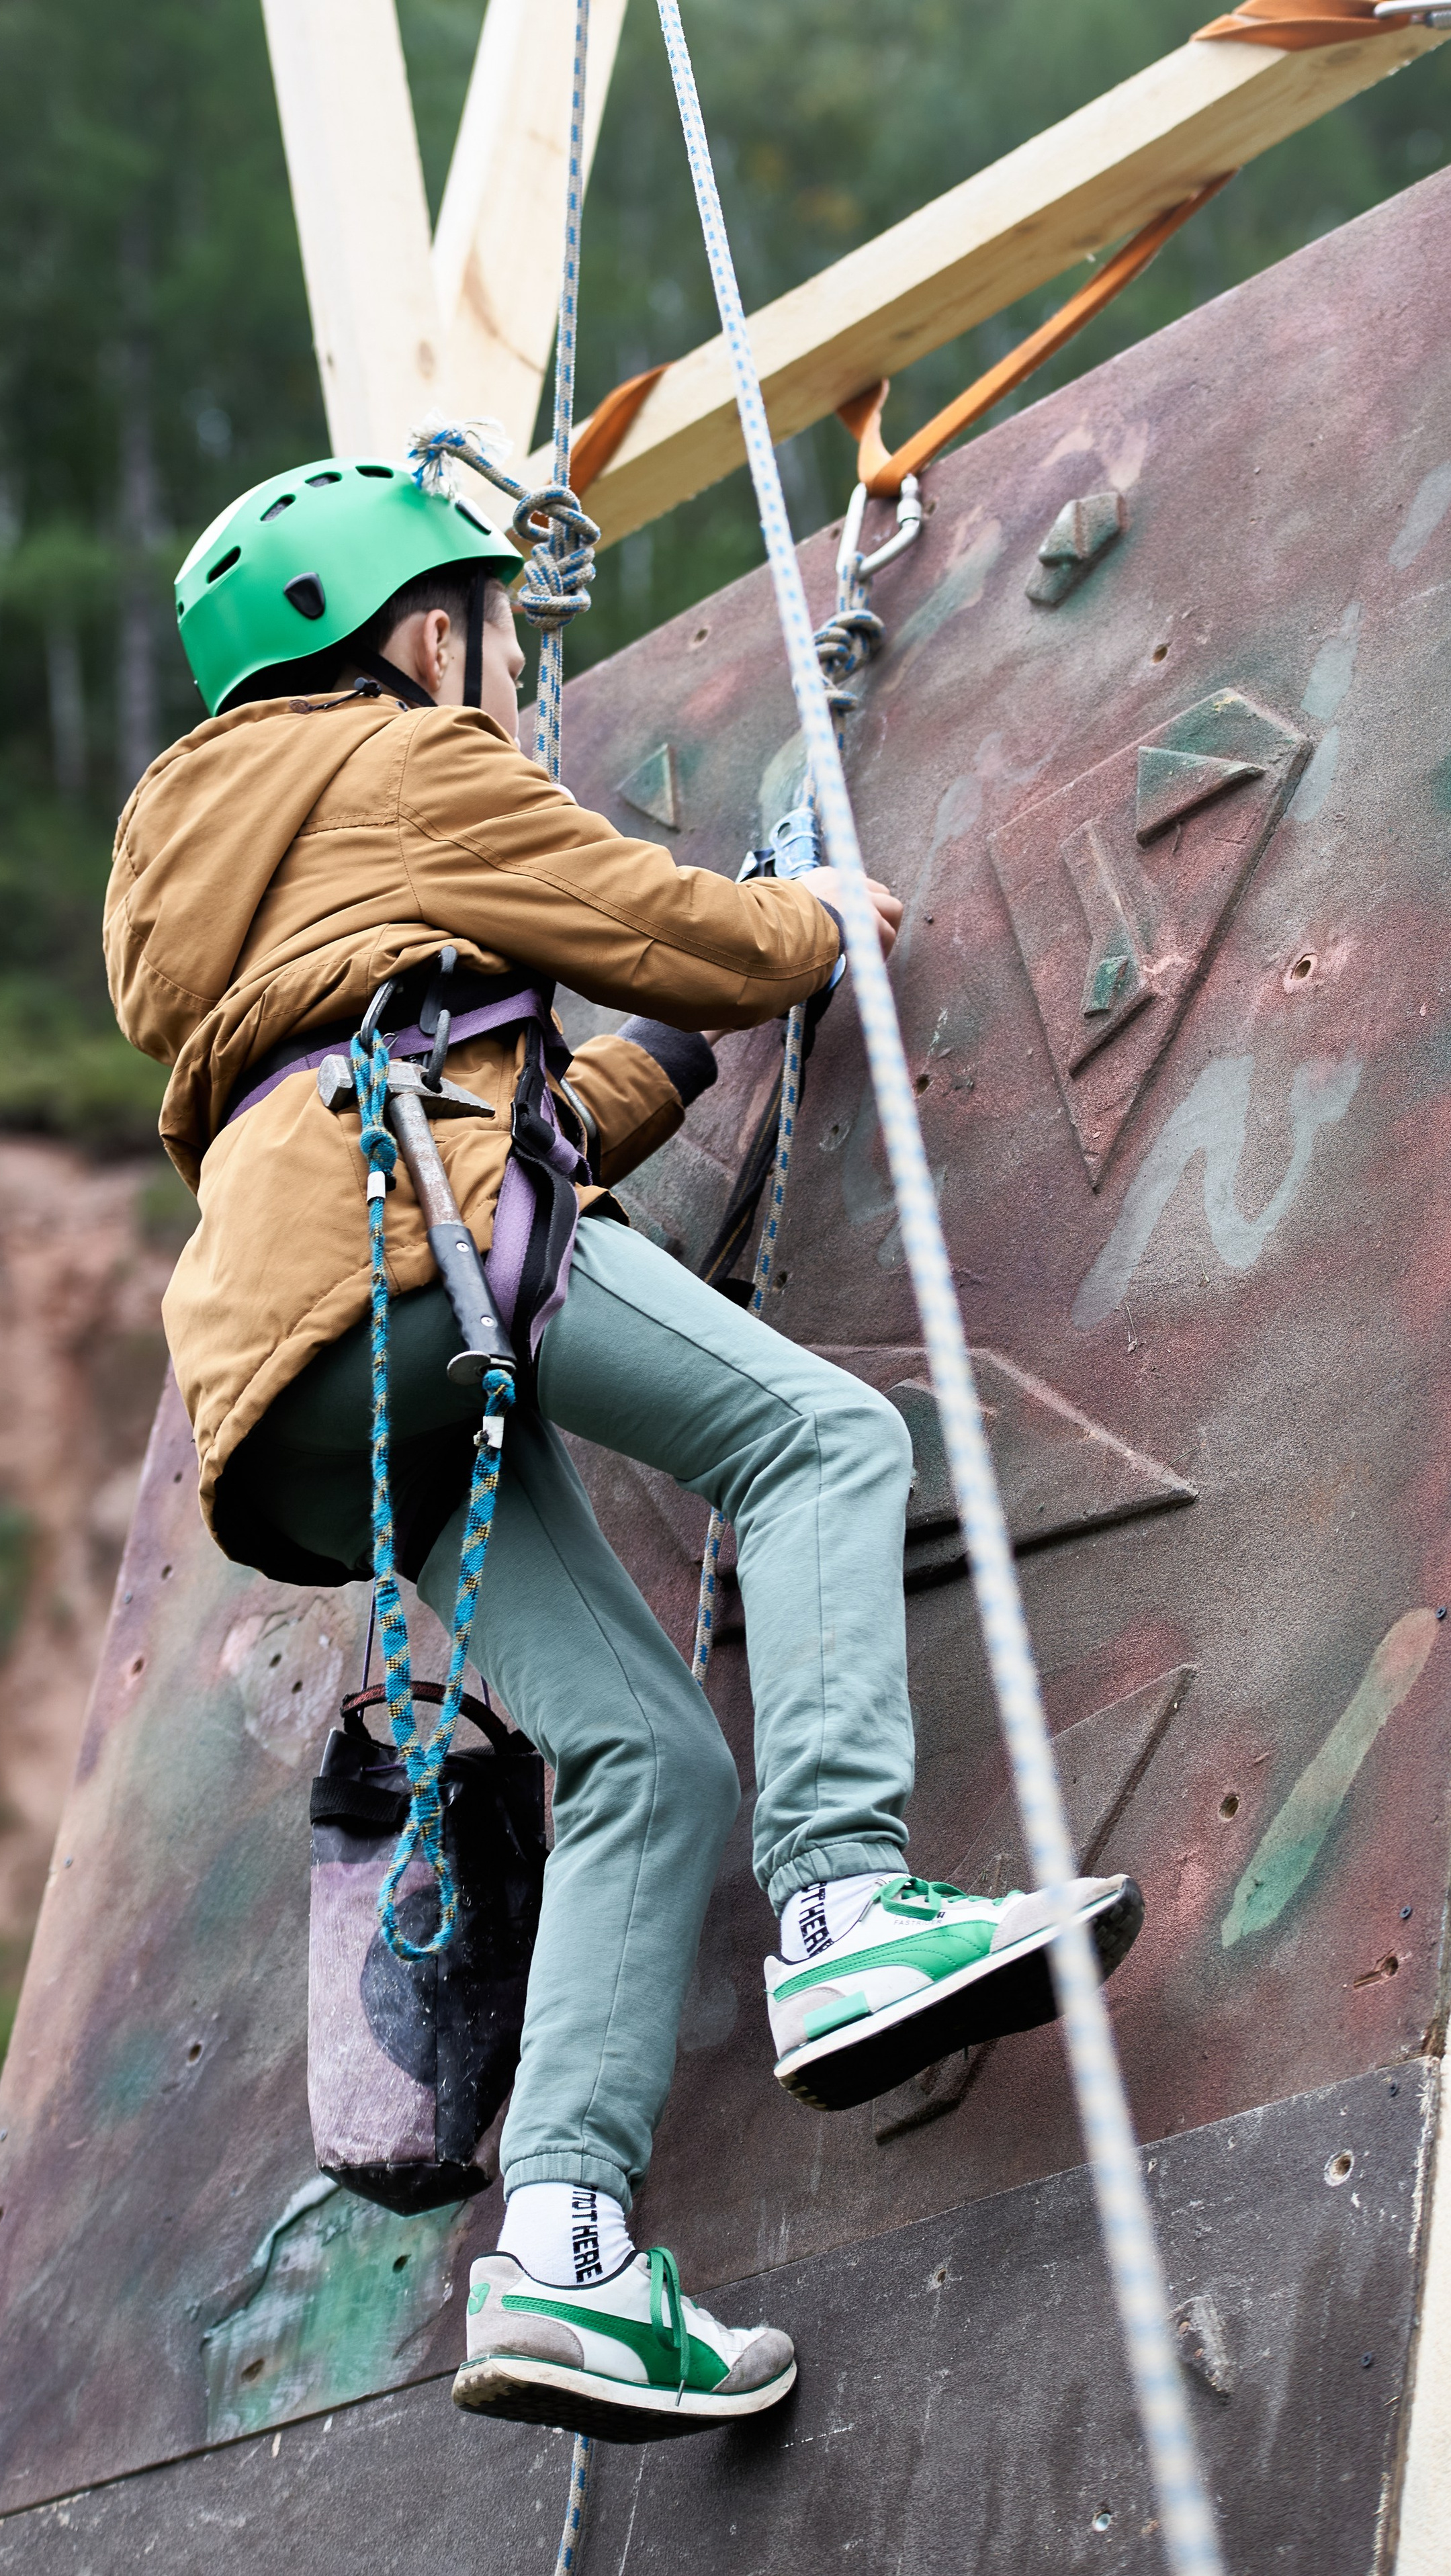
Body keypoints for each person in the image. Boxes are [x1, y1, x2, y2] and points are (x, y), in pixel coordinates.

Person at [105, 457, 1143, 2445]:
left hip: (302, 1380)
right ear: (420, 635)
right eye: (493, 627)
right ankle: (843, 1909)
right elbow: (669, 928)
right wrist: (808, 916)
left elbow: (474, 1085)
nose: (511, 666)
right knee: (823, 1441)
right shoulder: (399, 770)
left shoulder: (218, 882)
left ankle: (564, 2250)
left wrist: (667, 1063)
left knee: (641, 1753)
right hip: (421, 1259)